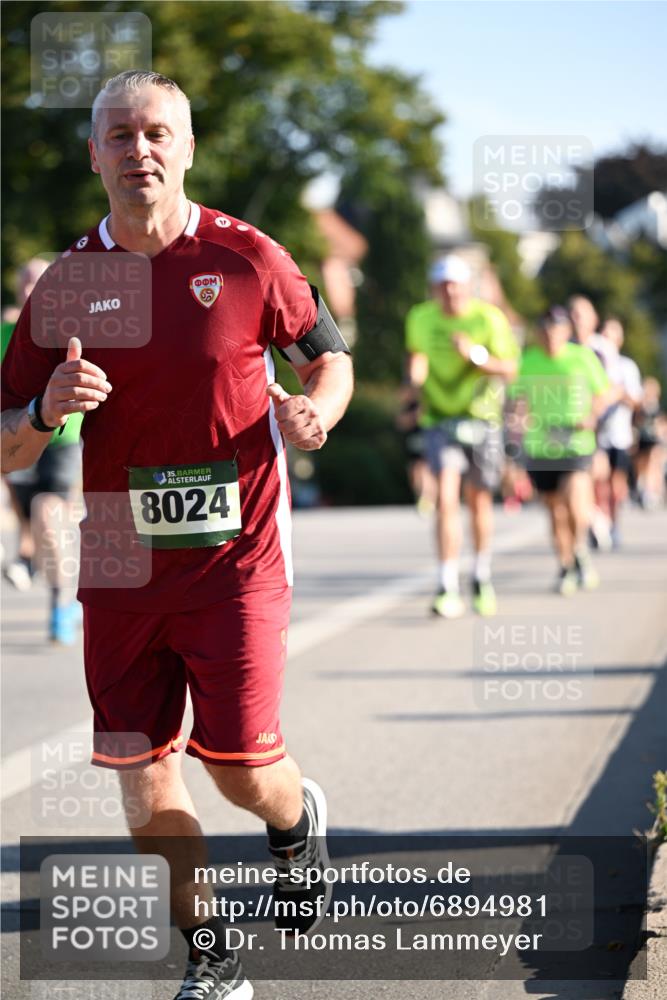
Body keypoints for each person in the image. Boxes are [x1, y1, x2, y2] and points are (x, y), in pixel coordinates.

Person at [1, 70, 354, 1000]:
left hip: (236, 551)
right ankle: (210, 953)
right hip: (117, 550)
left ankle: (292, 824)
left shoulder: (247, 259)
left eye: (156, 132)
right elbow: (4, 447)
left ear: (187, 148)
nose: (138, 150)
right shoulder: (69, 284)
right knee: (139, 772)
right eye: (117, 135)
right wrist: (43, 406)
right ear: (94, 154)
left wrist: (316, 411)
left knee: (241, 768)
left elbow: (331, 356)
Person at [404, 254, 519, 618]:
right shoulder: (421, 317)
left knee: (479, 501)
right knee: (446, 500)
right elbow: (417, 356)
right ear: (434, 288)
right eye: (442, 285)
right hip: (441, 418)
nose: (449, 291)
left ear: (468, 287)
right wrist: (414, 380)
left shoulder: (488, 318)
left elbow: (510, 370)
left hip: (481, 419)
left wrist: (477, 357)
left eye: (455, 284)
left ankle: (481, 576)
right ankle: (447, 583)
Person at [2, 257, 84, 643]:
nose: (32, 288)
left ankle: (60, 602)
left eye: (41, 281)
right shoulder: (4, 332)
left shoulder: (74, 326)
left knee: (48, 514)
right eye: (27, 281)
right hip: (17, 435)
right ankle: (25, 554)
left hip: (60, 442)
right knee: (27, 514)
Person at [510, 306, 610, 595]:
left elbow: (603, 394)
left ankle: (579, 549)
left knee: (577, 506)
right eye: (545, 329)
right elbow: (519, 402)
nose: (550, 334)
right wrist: (516, 426)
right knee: (555, 512)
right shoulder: (528, 361)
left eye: (556, 328)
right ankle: (566, 565)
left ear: (567, 331)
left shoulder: (582, 357)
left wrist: (591, 415)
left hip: (576, 444)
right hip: (541, 447)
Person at [567, 294, 615, 549]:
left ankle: (600, 519)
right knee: (576, 482)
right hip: (566, 428)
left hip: (598, 426)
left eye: (581, 314)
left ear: (593, 318)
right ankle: (593, 521)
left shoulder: (602, 348)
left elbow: (611, 390)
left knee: (598, 477)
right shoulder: (561, 346)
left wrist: (595, 416)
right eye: (572, 314)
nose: (577, 320)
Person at [596, 317, 642, 546]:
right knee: (599, 481)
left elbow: (636, 401)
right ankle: (599, 523)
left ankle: (613, 524)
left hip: (619, 435)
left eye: (612, 335)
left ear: (619, 339)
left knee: (615, 486)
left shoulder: (627, 366)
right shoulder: (592, 362)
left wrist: (619, 394)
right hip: (596, 436)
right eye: (604, 334)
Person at [634, 376, 667, 509]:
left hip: (654, 439)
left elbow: (662, 420)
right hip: (643, 439)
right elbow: (637, 420)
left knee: (654, 464)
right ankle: (644, 490)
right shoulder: (641, 405)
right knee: (642, 465)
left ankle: (654, 492)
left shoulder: (657, 406)